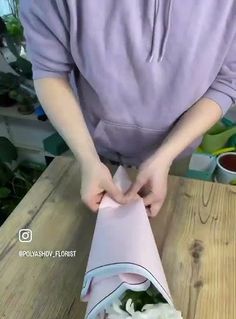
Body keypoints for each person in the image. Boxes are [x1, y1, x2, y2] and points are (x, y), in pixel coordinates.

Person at [20, 1, 236, 216]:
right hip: (90, 148)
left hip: (175, 150)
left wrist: (165, 157)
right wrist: (88, 159)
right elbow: (50, 71)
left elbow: (227, 81)